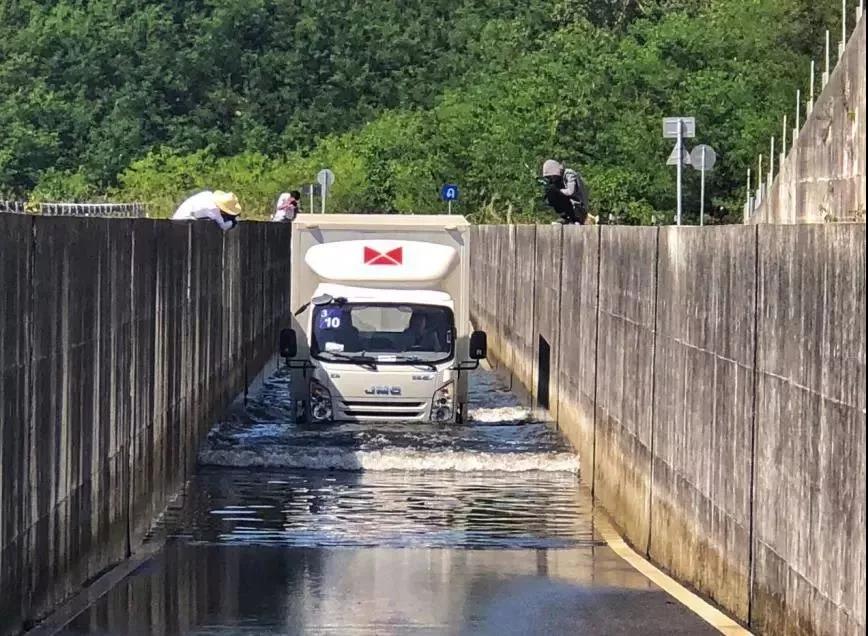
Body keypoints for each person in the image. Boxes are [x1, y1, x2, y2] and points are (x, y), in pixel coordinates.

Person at [541, 159, 588, 225]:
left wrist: (557, 191)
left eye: (551, 177)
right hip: (570, 207)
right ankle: (566, 217)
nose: (551, 179)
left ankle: (575, 218)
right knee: (550, 191)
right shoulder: (558, 180)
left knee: (553, 191)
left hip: (578, 208)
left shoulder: (569, 174)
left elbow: (571, 191)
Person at [171, 190, 241, 231]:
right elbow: (223, 226)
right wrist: (233, 222)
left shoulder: (207, 194)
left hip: (178, 219)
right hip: (182, 224)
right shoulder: (213, 209)